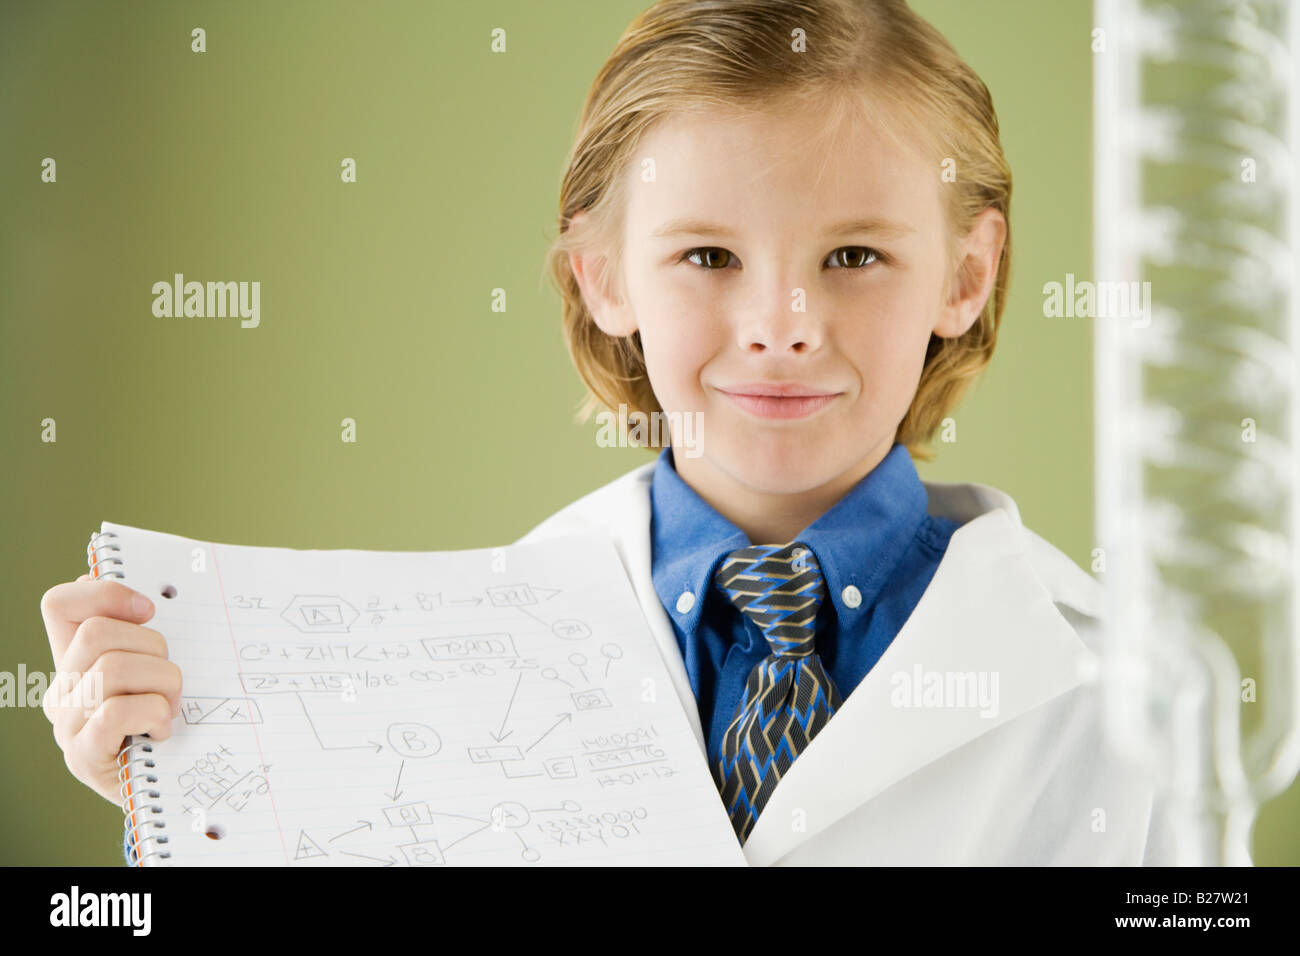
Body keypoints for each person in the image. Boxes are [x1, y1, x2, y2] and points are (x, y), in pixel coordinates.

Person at [40, 0, 1181, 865]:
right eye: (707, 256)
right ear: (600, 276)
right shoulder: (438, 662)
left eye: (852, 256)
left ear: (965, 275)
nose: (780, 328)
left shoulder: (1135, 692)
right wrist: (179, 798)